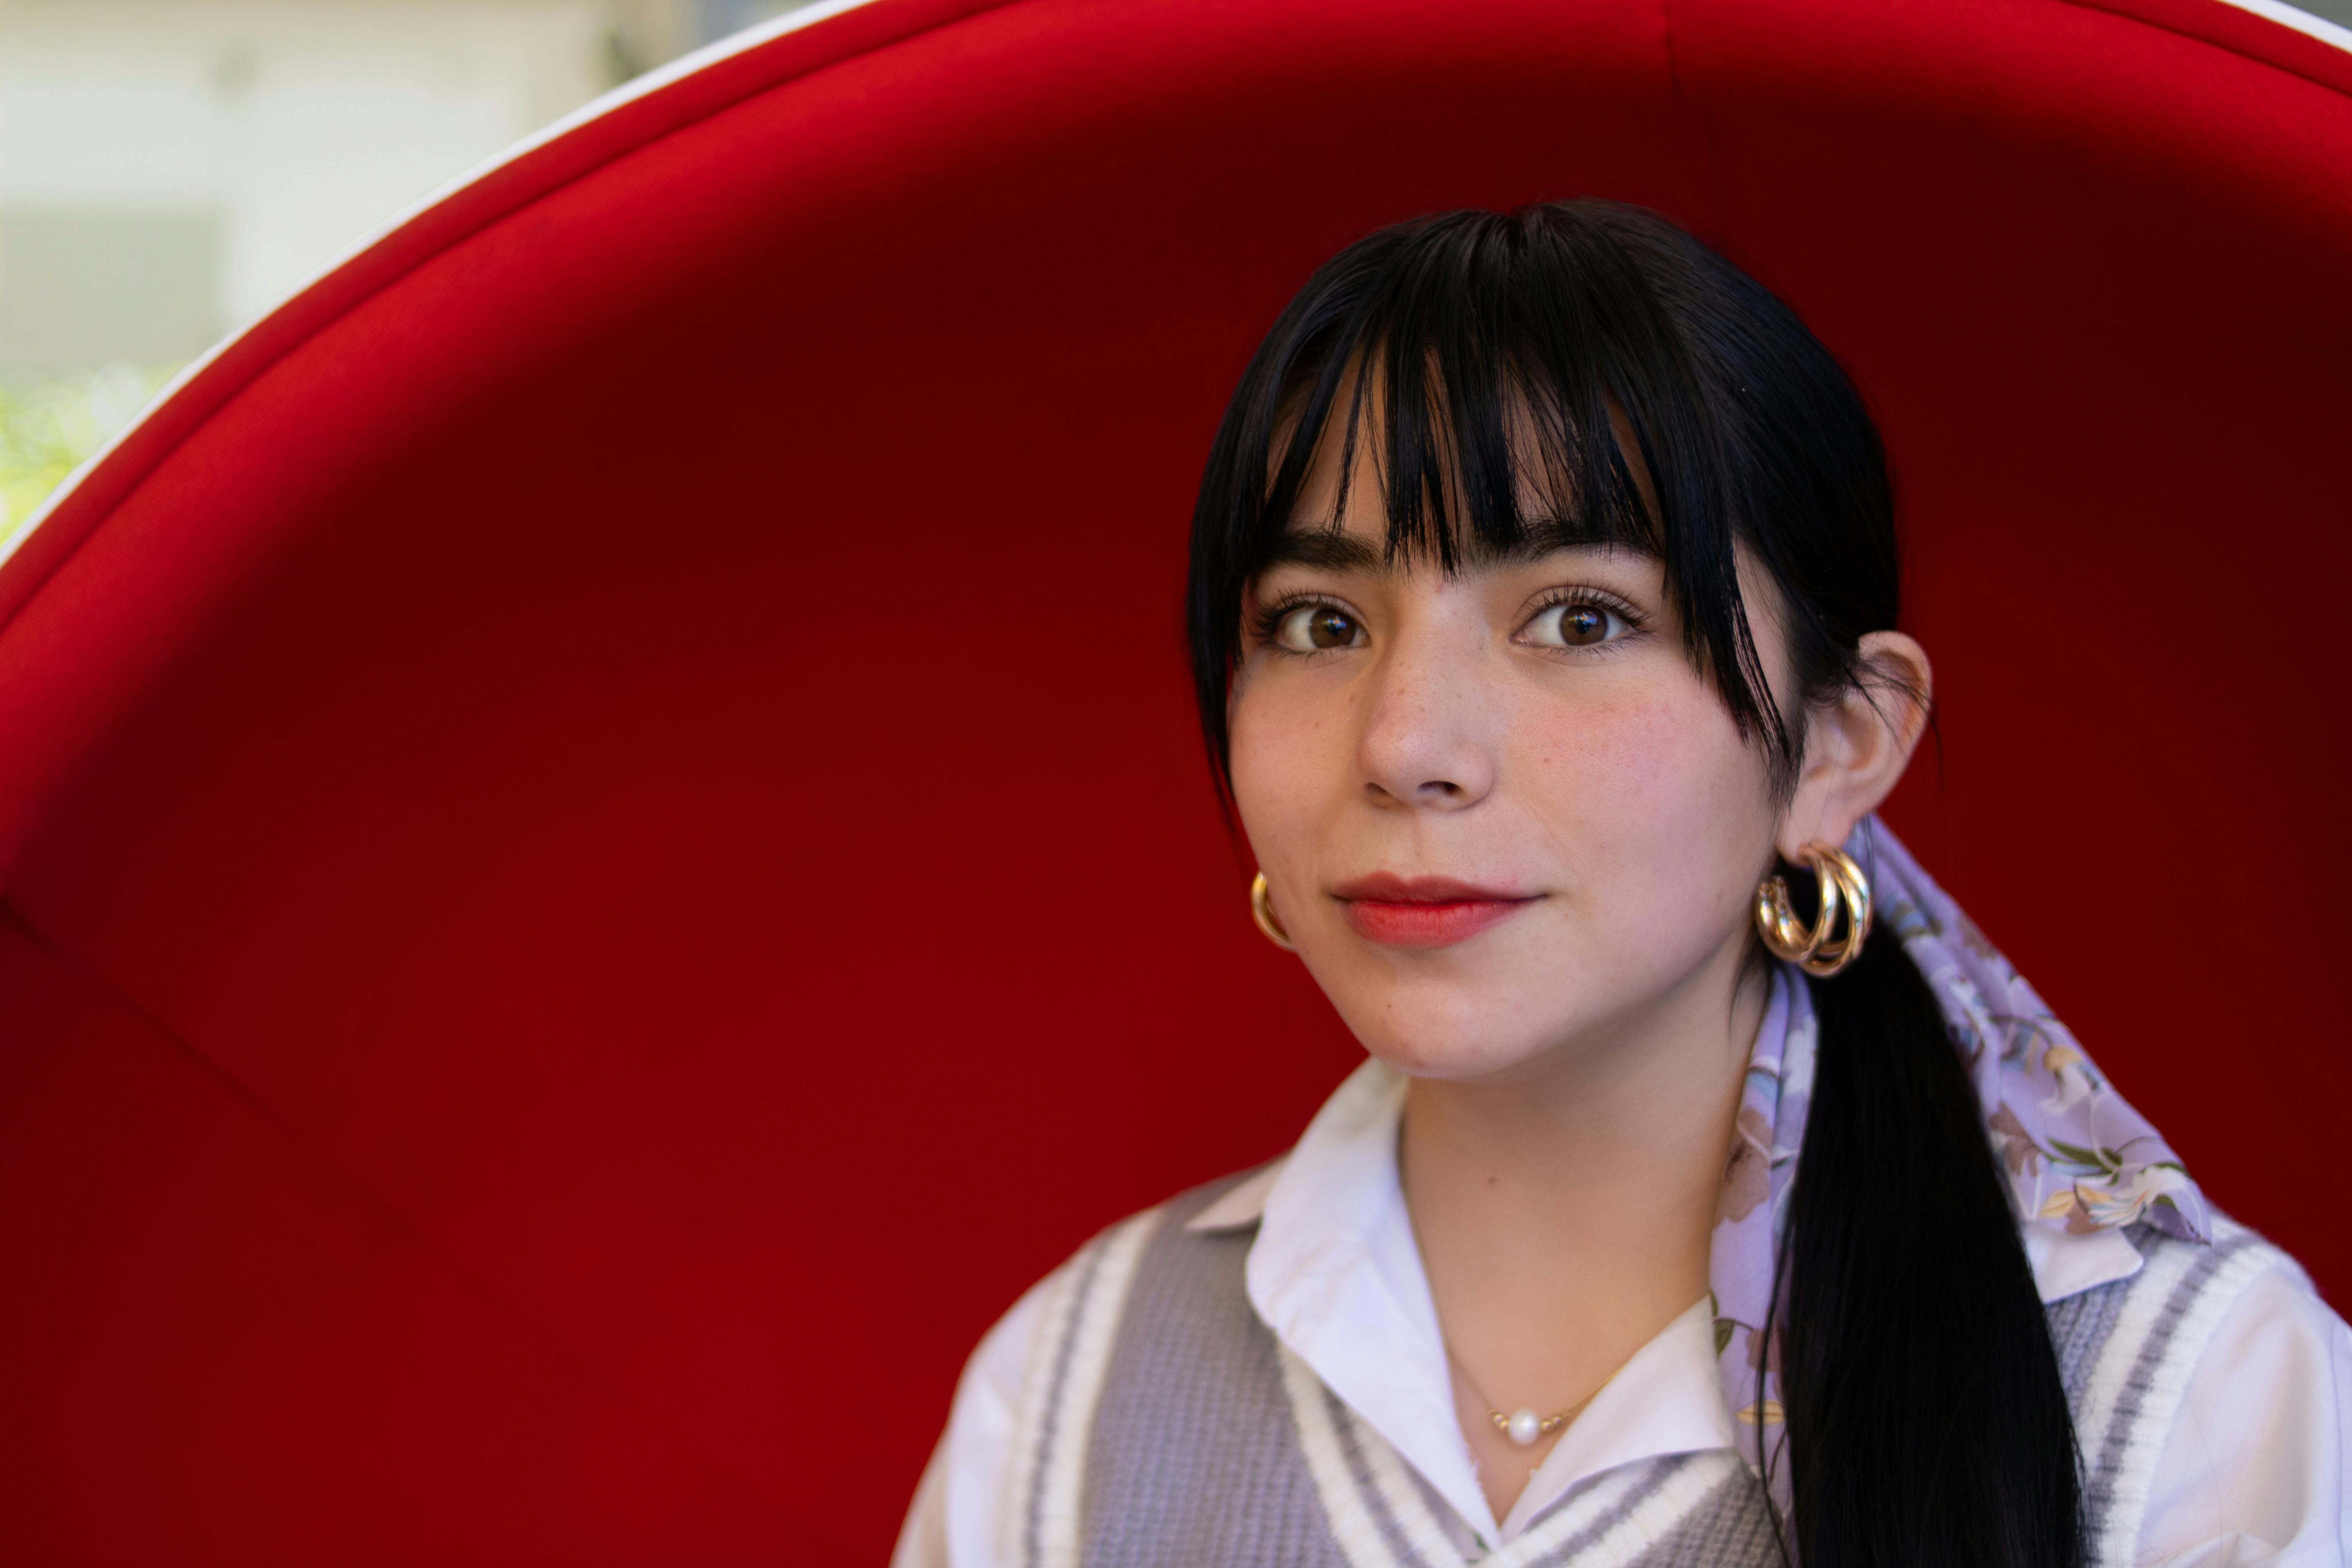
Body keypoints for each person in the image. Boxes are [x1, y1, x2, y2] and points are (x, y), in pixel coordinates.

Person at [891, 202, 2349, 1568]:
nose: (1403, 746)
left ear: (1841, 745)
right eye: (1319, 620)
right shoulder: (1073, 1394)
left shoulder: (2189, 1405)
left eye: (1581, 618)